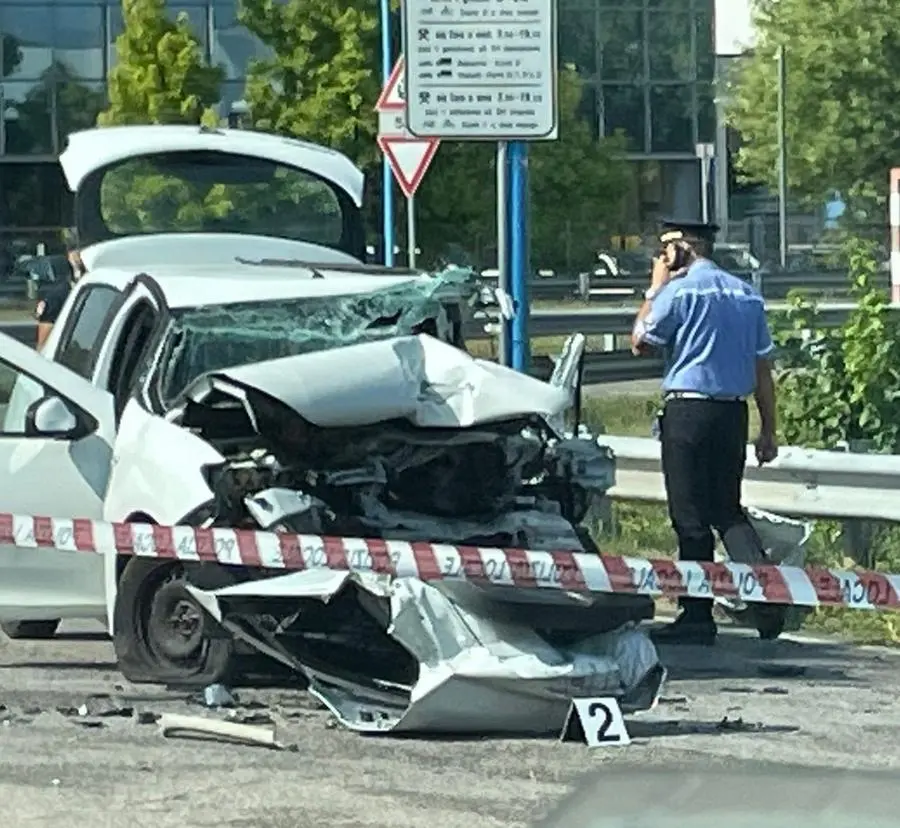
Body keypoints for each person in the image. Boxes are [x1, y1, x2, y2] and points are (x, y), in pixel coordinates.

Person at [631, 219, 779, 646]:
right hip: (733, 415)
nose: (662, 258)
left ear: (681, 250)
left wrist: (653, 288)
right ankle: (768, 599)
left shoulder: (679, 291)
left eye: (665, 251)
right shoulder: (745, 293)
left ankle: (696, 615)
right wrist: (768, 429)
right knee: (728, 510)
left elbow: (640, 342)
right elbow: (762, 369)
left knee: (689, 515)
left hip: (689, 412)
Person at [35, 228, 85, 351]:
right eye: (74, 249)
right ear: (69, 256)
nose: (78, 255)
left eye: (81, 249)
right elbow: (42, 349)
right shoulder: (56, 298)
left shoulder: (117, 289)